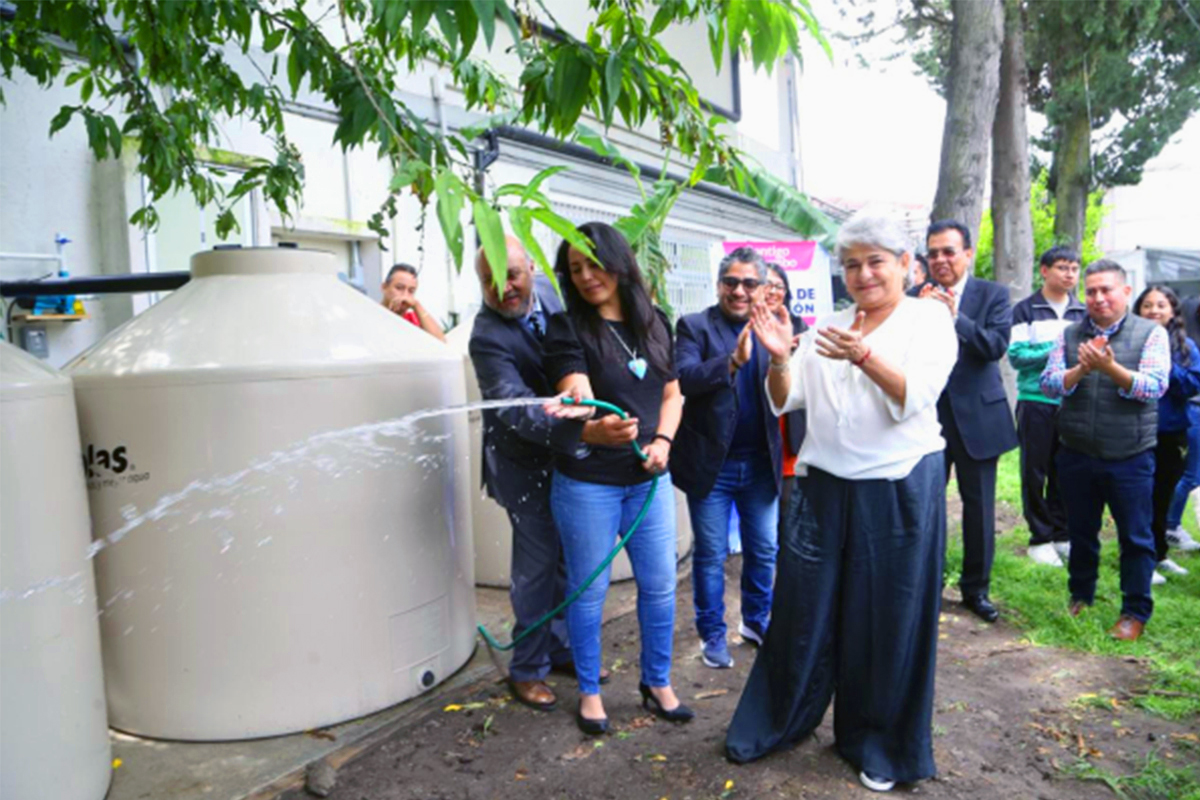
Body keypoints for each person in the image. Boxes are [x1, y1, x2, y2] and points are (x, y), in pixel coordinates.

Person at [726, 212, 958, 793]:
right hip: (822, 484)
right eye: (851, 263)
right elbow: (786, 400)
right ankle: (782, 719)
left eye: (876, 260)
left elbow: (915, 394)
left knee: (889, 618)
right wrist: (779, 358)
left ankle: (879, 743)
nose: (862, 273)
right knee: (802, 610)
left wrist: (864, 357)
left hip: (898, 483)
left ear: (907, 265)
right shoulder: (827, 321)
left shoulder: (928, 319)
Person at [542, 222, 692, 734]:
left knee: (659, 585)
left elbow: (672, 394)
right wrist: (593, 424)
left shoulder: (655, 323)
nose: (586, 277)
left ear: (619, 261)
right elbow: (576, 387)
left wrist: (663, 443)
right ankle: (589, 691)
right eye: (575, 269)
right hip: (588, 483)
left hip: (649, 479)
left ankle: (658, 682)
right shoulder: (567, 327)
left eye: (593, 264)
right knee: (590, 590)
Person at [468, 237, 593, 711]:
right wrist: (583, 426)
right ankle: (526, 669)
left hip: (566, 454)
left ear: (532, 268)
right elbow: (516, 411)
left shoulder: (557, 290)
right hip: (522, 464)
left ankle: (558, 648)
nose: (505, 289)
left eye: (513, 275)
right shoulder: (486, 337)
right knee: (537, 567)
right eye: (490, 281)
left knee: (564, 557)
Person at [1041, 260, 1169, 642]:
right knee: (1081, 532)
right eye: (1091, 291)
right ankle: (1081, 595)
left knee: (1136, 537)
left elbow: (1154, 386)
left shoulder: (1150, 334)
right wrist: (1080, 370)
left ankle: (1134, 611)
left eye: (1106, 290)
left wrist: (1112, 369)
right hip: (1077, 451)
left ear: (1125, 293)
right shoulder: (1069, 335)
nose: (1098, 298)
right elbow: (1049, 385)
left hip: (1130, 453)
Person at [672, 248, 785, 670]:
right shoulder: (694, 326)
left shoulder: (776, 324)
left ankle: (756, 621)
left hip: (761, 463)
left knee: (764, 549)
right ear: (719, 284)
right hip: (712, 466)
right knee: (710, 554)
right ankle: (713, 634)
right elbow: (684, 378)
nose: (739, 291)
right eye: (731, 282)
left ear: (762, 288)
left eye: (749, 283)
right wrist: (733, 362)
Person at [911, 220, 1018, 623]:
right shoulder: (912, 297)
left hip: (978, 418)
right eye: (933, 252)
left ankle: (976, 589)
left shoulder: (991, 294)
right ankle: (927, 585)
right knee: (925, 505)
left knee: (979, 509)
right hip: (925, 421)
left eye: (948, 251)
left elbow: (994, 347)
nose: (939, 260)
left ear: (967, 254)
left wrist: (956, 317)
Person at [1007, 246, 1088, 567]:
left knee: (1066, 471)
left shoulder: (1083, 312)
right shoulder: (1025, 310)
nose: (1069, 274)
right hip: (1035, 401)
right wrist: (1059, 349)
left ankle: (1061, 534)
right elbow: (1016, 357)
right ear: (1044, 270)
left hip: (1073, 401)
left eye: (1074, 268)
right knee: (1035, 470)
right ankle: (1039, 538)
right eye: (1062, 268)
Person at [1135, 285, 1199, 583]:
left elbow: (1191, 384)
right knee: (1137, 497)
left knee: (1162, 495)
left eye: (1161, 305)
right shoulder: (1130, 341)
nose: (1154, 311)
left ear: (1172, 311)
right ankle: (1139, 557)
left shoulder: (1185, 347)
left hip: (1171, 431)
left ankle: (1159, 553)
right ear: (1138, 310)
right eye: (1147, 305)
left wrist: (1166, 365)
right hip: (1134, 430)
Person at [763, 263, 809, 535]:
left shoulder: (801, 329)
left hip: (789, 437)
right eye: (765, 285)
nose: (772, 291)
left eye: (778, 286)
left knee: (791, 521)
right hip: (755, 437)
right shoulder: (743, 329)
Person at [1165, 293, 1200, 552]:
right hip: (1192, 410)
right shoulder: (1184, 340)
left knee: (1189, 474)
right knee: (1190, 474)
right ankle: (1170, 525)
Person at [382, 263, 446, 342]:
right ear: (384, 287)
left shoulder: (414, 319)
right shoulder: (371, 314)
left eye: (411, 291)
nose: (405, 295)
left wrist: (417, 305)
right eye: (399, 288)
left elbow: (441, 343)